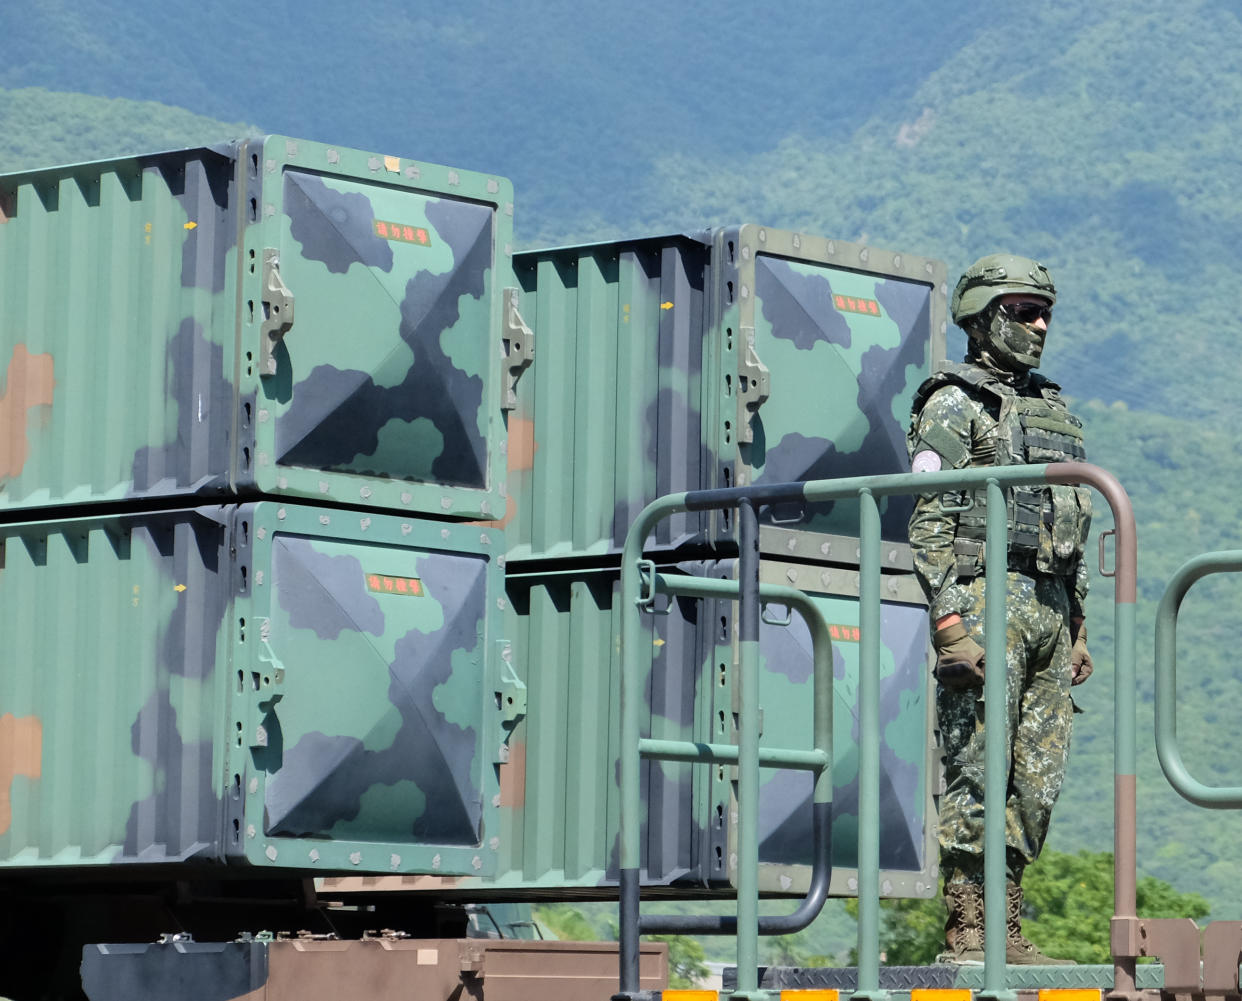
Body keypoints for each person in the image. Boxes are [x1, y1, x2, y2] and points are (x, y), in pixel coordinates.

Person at [906, 254, 1093, 965]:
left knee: (1036, 777)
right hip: (986, 598)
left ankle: (1007, 927)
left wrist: (1077, 626)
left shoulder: (1051, 408)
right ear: (983, 316)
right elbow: (928, 519)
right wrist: (950, 625)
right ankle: (969, 928)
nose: (1039, 325)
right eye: (1023, 311)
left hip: (1048, 604)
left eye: (1045, 312)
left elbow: (1070, 521)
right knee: (979, 765)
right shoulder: (953, 404)